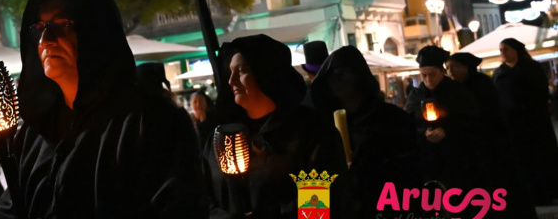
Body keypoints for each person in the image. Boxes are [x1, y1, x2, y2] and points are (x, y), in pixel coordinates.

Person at [0, 0, 205, 218]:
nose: (46, 40)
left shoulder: (151, 122)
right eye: (40, 28)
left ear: (95, 31)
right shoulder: (35, 133)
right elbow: (12, 208)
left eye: (61, 25)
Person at [203, 34, 348, 219]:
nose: (231, 81)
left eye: (241, 71)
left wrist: (284, 174)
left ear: (267, 73)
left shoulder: (311, 132)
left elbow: (319, 208)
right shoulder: (219, 139)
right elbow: (200, 200)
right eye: (230, 71)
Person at [310, 46, 422, 218]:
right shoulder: (321, 126)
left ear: (359, 76)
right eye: (332, 76)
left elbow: (410, 174)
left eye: (344, 73)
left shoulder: (393, 119)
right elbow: (313, 180)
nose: (337, 80)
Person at [446, 52, 538, 218]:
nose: (450, 71)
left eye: (454, 67)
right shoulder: (455, 89)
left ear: (466, 67)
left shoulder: (481, 85)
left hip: (492, 144)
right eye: (447, 68)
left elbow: (489, 113)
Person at [404, 46, 482, 192]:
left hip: (457, 158)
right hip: (427, 160)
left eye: (432, 74)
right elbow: (408, 123)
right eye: (424, 75)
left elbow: (472, 119)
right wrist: (423, 132)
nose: (428, 80)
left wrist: (447, 129)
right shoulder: (416, 95)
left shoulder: (458, 91)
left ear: (441, 71)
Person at [494, 38, 558, 205]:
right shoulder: (499, 73)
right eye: (501, 50)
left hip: (535, 122)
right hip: (513, 125)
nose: (503, 53)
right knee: (522, 160)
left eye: (506, 49)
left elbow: (541, 92)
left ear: (516, 50)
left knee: (541, 158)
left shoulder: (531, 68)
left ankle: (548, 192)